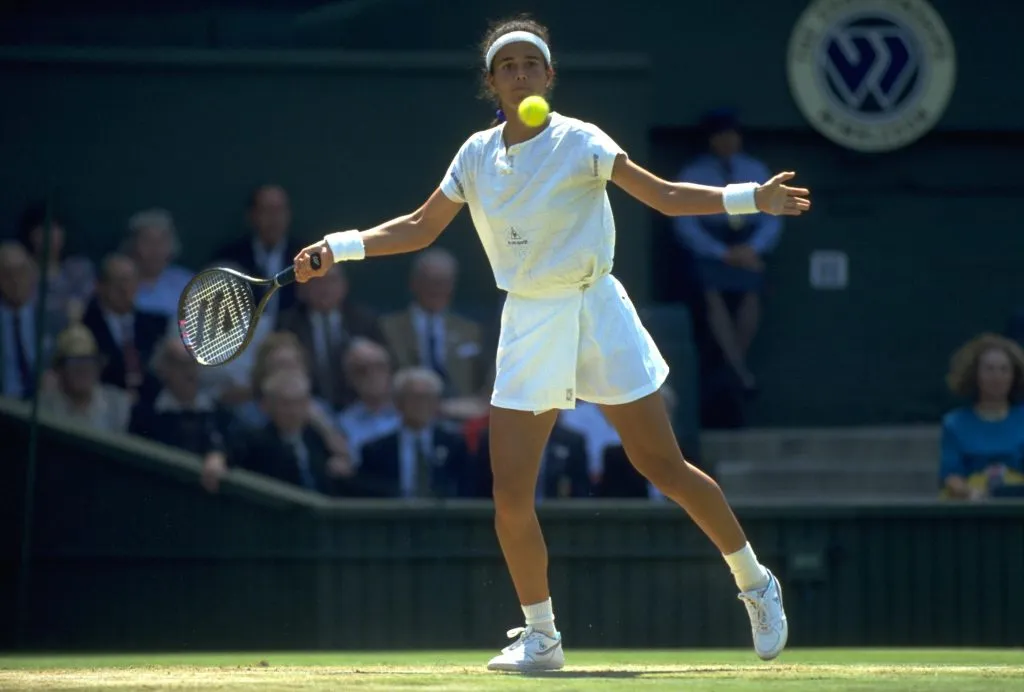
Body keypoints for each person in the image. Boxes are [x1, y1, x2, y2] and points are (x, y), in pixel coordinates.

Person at [292, 16, 810, 673]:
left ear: (548, 76)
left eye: (529, 64)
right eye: (506, 67)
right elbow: (420, 227)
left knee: (662, 466)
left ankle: (756, 583)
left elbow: (664, 195)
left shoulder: (581, 140)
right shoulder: (474, 155)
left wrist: (752, 198)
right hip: (530, 320)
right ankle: (543, 637)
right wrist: (338, 246)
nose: (519, 75)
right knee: (510, 494)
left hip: (596, 309)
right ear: (492, 83)